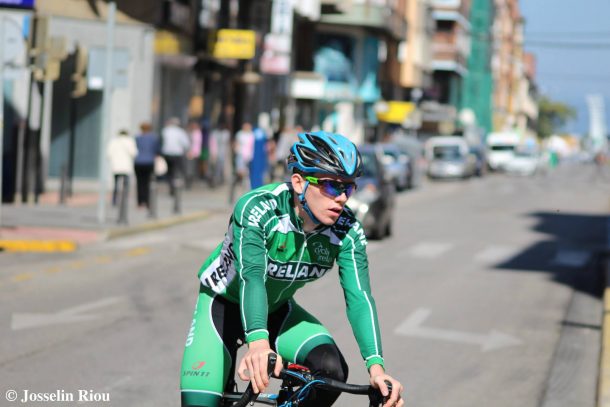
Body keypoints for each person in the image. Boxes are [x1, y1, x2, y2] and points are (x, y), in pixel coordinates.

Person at [180, 131, 404, 407]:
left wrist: (376, 368)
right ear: (298, 182)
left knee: (331, 370)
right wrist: (259, 343)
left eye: (349, 187)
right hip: (222, 306)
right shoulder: (258, 208)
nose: (343, 198)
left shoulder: (347, 231)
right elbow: (253, 277)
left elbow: (359, 297)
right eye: (332, 186)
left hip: (276, 309)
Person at [107, 129, 137, 207]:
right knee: (126, 185)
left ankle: (114, 201)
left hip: (116, 166)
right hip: (126, 166)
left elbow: (109, 154)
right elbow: (134, 153)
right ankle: (124, 201)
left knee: (116, 185)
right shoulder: (130, 141)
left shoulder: (113, 142)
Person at [161, 117, 190, 196]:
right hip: (177, 153)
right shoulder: (180, 132)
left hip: (167, 153)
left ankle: (171, 186)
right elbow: (186, 144)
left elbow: (162, 141)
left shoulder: (165, 131)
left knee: (170, 171)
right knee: (179, 170)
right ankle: (179, 183)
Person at [133, 122, 159, 208]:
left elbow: (134, 149)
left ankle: (140, 202)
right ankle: (147, 202)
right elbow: (157, 150)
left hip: (138, 162)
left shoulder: (137, 138)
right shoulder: (154, 138)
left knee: (140, 183)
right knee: (148, 182)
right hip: (149, 162)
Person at [186, 120, 203, 189]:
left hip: (193, 153)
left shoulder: (196, 133)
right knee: (191, 167)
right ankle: (190, 180)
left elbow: (194, 144)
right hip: (193, 153)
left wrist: (191, 152)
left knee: (191, 168)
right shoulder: (194, 133)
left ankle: (190, 180)